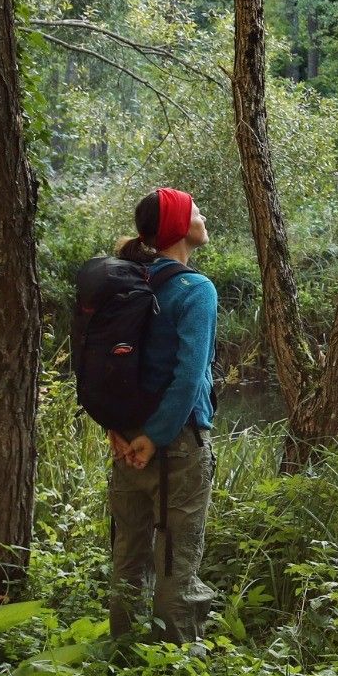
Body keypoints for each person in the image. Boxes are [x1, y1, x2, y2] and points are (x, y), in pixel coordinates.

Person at [106, 187, 219, 644]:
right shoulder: (196, 290)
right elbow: (189, 378)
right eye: (195, 208)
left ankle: (124, 656)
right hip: (175, 445)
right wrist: (156, 436)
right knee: (175, 558)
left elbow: (103, 364)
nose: (202, 213)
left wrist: (117, 426)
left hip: (124, 438)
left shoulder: (127, 282)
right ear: (178, 227)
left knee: (128, 554)